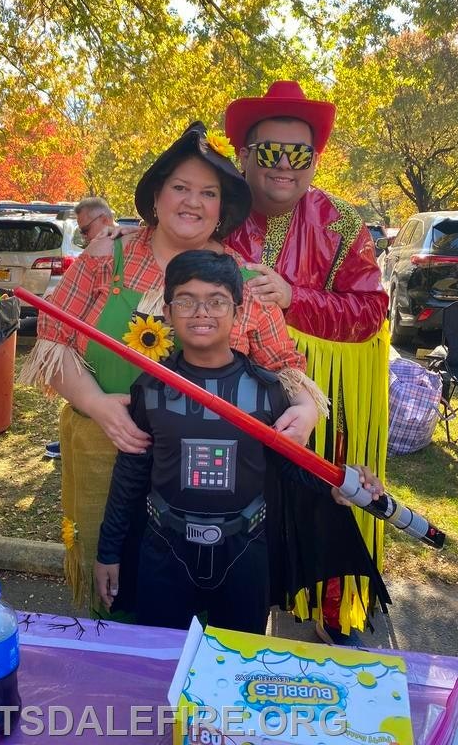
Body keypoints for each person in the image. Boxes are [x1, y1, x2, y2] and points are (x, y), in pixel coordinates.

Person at [21, 122, 326, 613]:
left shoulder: (245, 282)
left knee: (215, 619)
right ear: (156, 197)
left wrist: (307, 410)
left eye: (208, 193)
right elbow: (53, 344)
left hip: (211, 485)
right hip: (104, 457)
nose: (193, 202)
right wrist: (97, 404)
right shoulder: (101, 261)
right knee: (118, 606)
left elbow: (286, 367)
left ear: (222, 208)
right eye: (181, 187)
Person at [95, 251, 387, 634]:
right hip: (164, 553)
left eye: (216, 301)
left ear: (237, 311)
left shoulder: (267, 390)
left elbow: (290, 465)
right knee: (163, 660)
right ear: (167, 312)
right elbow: (130, 473)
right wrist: (108, 552)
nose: (201, 312)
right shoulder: (150, 388)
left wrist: (336, 483)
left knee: (238, 663)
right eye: (186, 301)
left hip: (245, 555)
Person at [224, 81, 389, 644]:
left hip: (323, 389)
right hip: (231, 383)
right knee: (235, 492)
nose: (285, 165)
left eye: (300, 154)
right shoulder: (217, 210)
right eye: (271, 151)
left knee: (327, 494)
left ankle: (332, 608)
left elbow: (370, 311)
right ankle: (234, 599)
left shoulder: (340, 222)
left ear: (315, 161)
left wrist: (295, 298)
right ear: (244, 156)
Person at [44, 197, 116, 459]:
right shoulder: (94, 255)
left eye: (86, 230)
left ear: (105, 220)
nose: (84, 238)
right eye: (81, 232)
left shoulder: (123, 252)